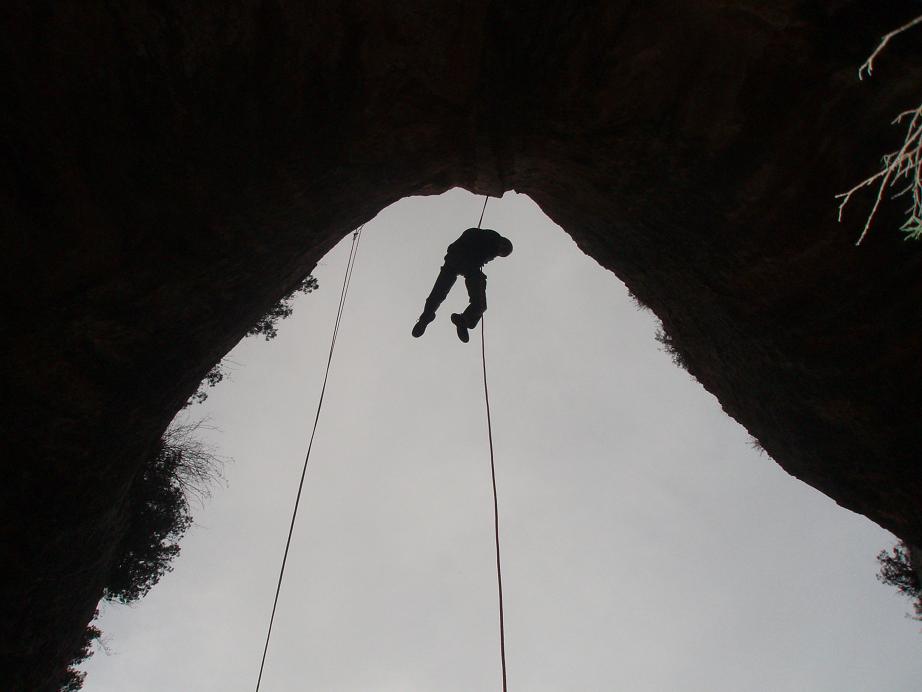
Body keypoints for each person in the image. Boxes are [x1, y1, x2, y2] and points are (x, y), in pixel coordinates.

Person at [411, 227, 513, 343]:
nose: (498, 254)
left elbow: (468, 241)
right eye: (501, 251)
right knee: (440, 294)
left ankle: (457, 320)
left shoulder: (488, 243)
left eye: (501, 254)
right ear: (502, 243)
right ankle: (432, 318)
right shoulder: (489, 240)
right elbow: (470, 241)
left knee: (441, 294)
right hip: (459, 261)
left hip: (459, 262)